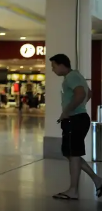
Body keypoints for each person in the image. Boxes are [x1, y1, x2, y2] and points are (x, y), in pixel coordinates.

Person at [49, 53, 102, 200]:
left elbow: (81, 94)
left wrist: (67, 111)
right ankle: (96, 180)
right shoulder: (76, 75)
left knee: (73, 155)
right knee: (72, 154)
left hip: (74, 119)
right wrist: (78, 107)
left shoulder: (71, 77)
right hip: (78, 118)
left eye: (54, 66)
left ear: (61, 65)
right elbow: (88, 93)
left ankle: (73, 190)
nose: (53, 69)